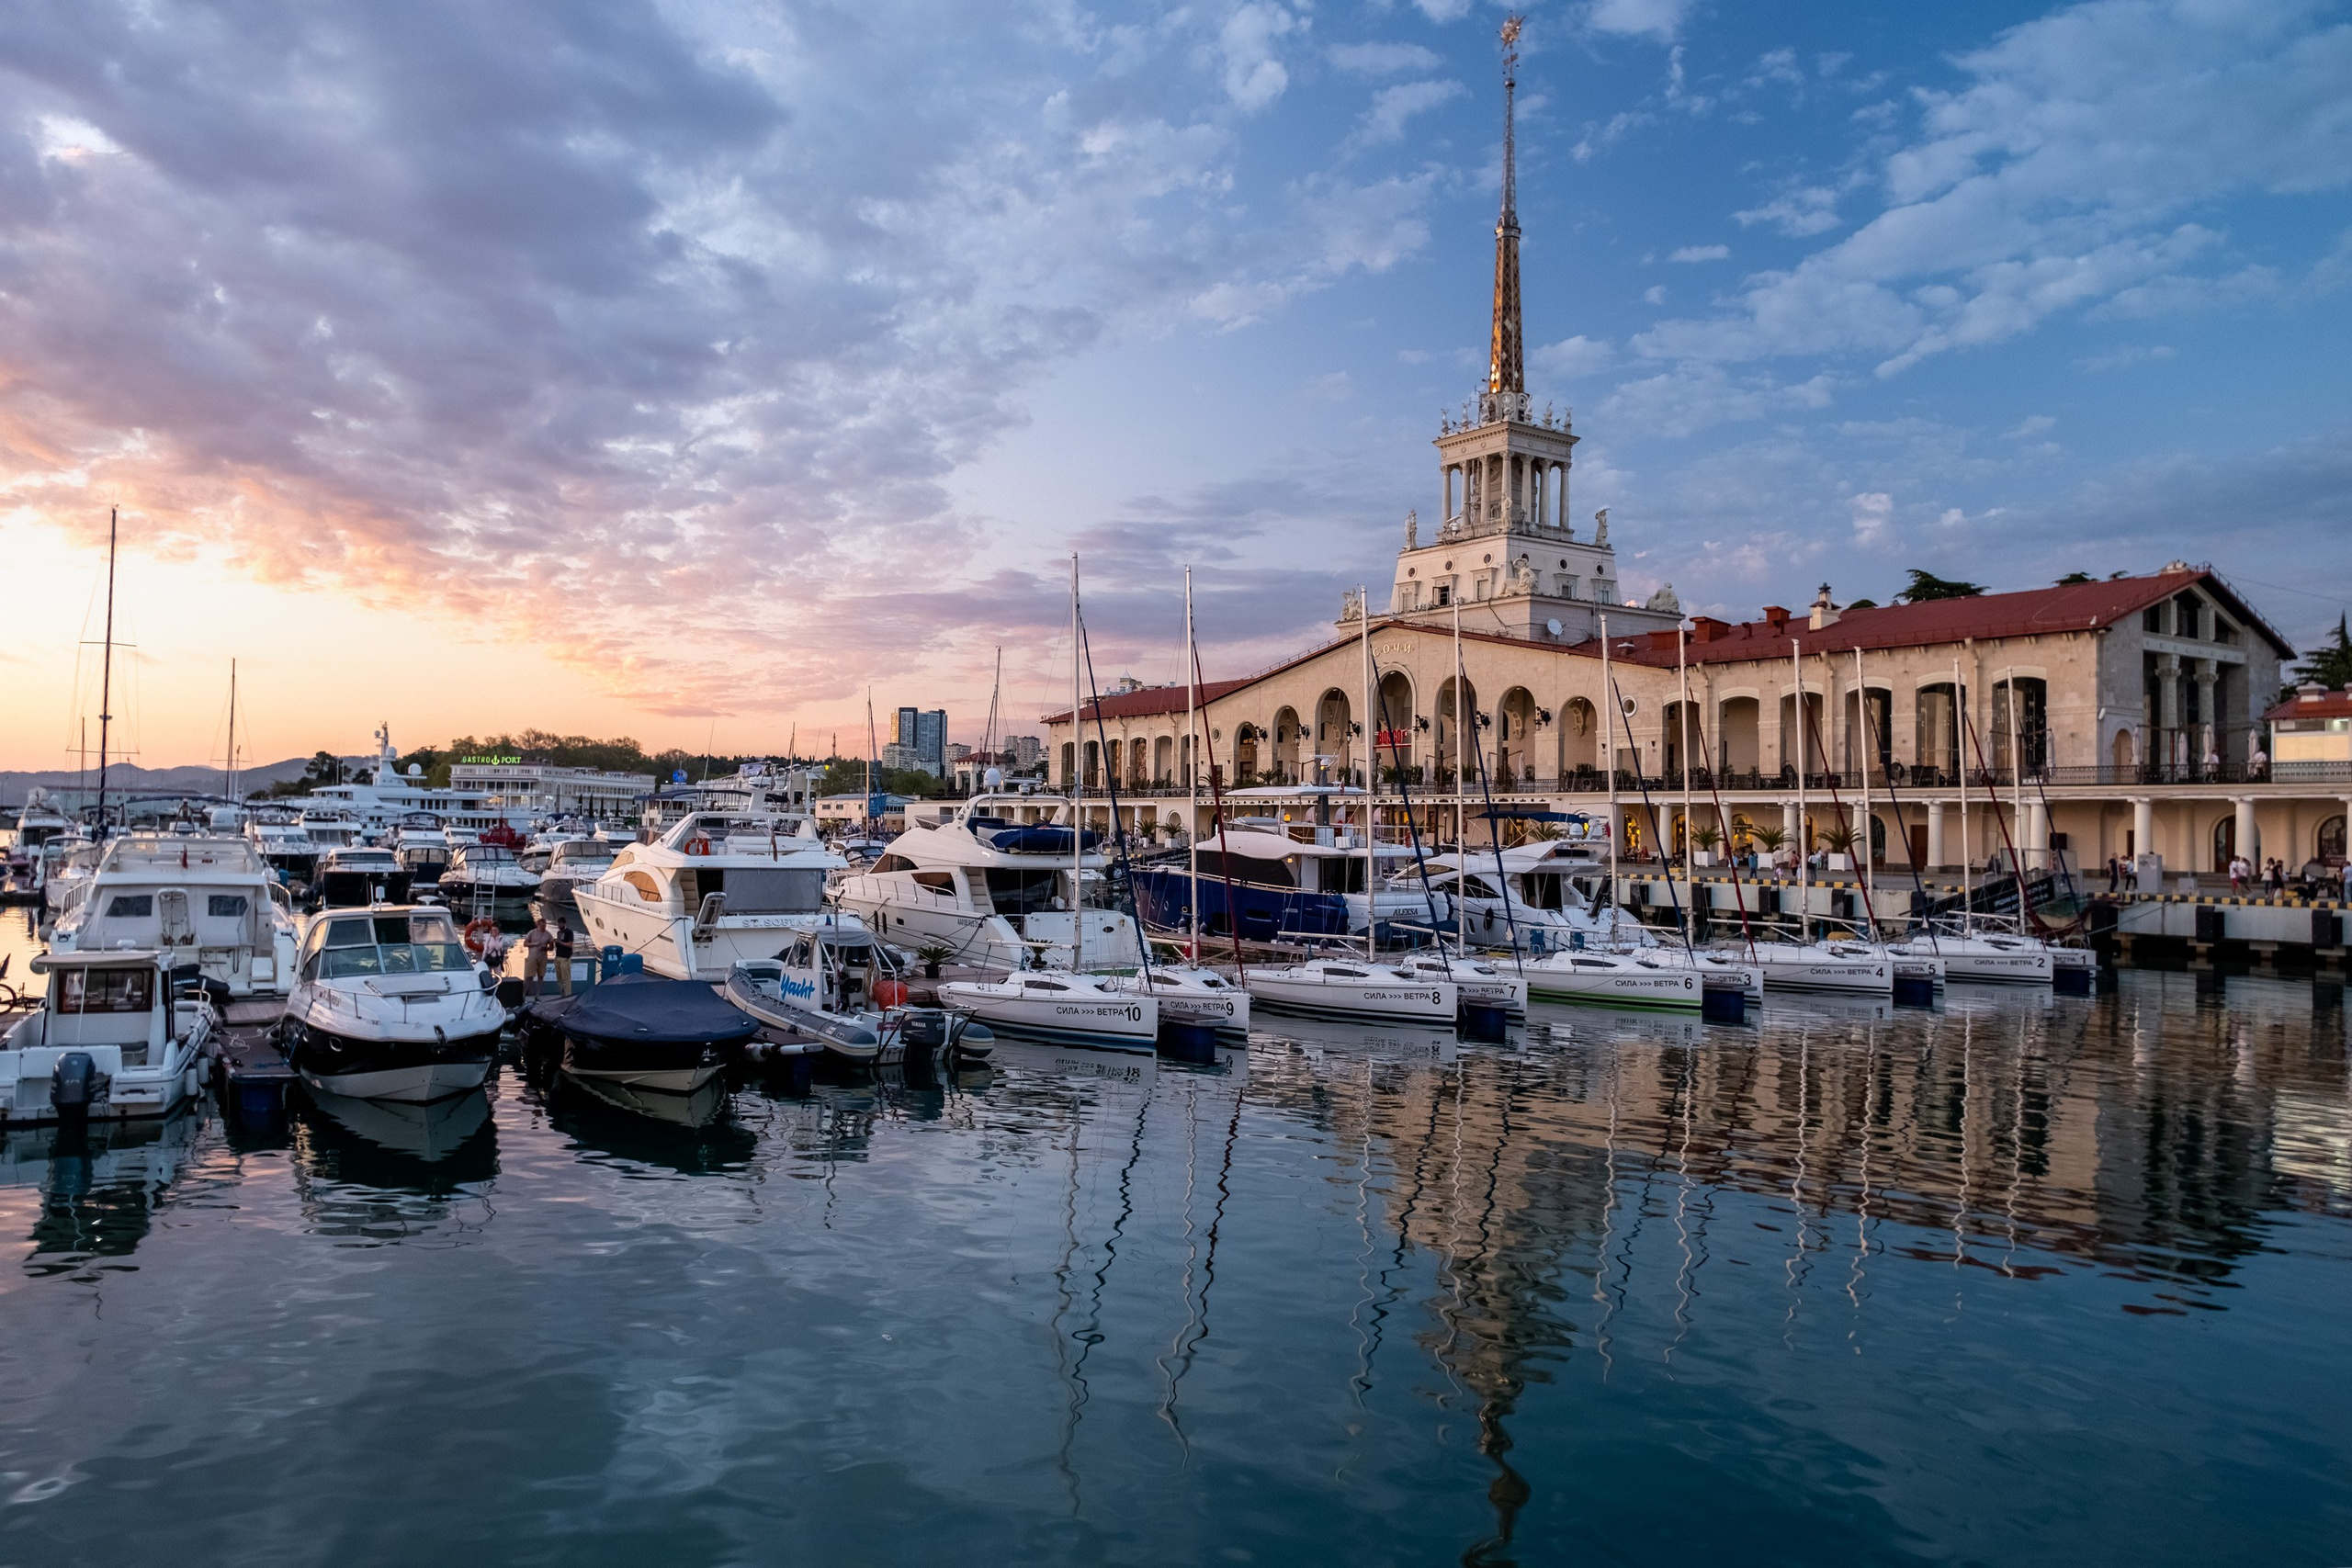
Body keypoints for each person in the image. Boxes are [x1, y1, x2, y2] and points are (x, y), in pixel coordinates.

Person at [521, 916, 553, 997]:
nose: (544, 927)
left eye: (545, 926)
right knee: (529, 976)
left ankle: (537, 995)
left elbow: (551, 947)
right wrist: (534, 944)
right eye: (542, 926)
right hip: (532, 956)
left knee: (541, 976)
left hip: (543, 957)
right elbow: (525, 944)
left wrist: (546, 948)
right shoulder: (532, 933)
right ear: (538, 925)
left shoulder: (548, 935)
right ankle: (523, 995)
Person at [554, 922, 576, 994]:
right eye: (558, 924)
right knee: (559, 977)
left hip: (565, 957)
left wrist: (559, 942)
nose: (559, 926)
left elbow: (570, 945)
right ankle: (562, 992)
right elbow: (559, 944)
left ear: (564, 923)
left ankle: (568, 994)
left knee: (566, 977)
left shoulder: (569, 932)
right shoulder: (559, 933)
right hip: (558, 956)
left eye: (560, 924)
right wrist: (556, 942)